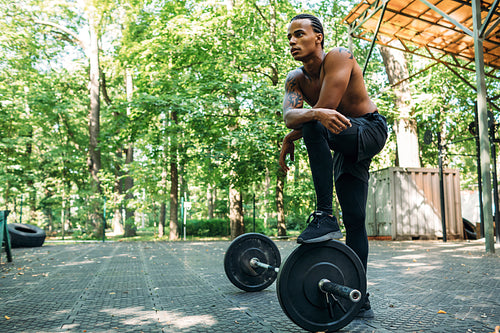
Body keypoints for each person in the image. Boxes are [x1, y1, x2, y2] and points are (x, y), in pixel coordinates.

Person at [278, 13, 388, 318]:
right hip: (341, 138)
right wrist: (292, 132)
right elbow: (290, 115)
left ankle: (324, 214)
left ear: (318, 38)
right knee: (354, 219)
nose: (292, 41)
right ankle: (360, 298)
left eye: (299, 34)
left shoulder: (339, 57)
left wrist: (293, 133)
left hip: (368, 129)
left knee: (314, 123)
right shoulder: (294, 79)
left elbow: (319, 113)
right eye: (289, 37)